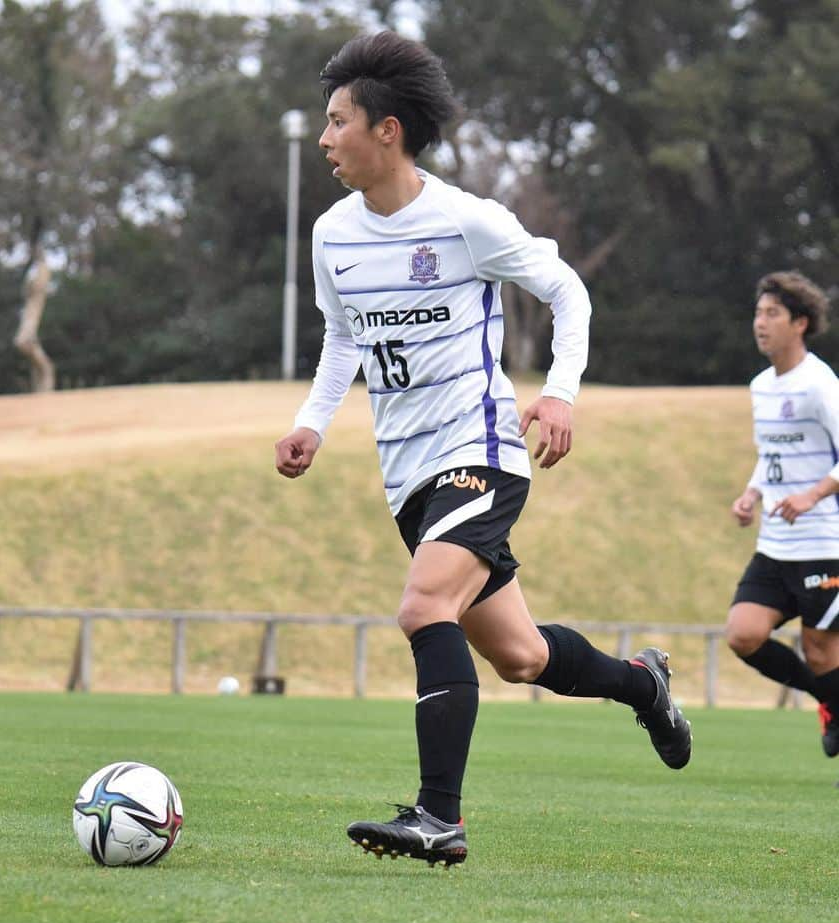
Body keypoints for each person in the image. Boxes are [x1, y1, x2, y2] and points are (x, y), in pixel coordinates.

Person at [273, 31, 691, 869]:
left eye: (336, 121)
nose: (324, 140)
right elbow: (342, 338)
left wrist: (562, 389)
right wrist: (313, 420)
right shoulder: (331, 235)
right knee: (521, 656)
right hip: (406, 477)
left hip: (482, 450)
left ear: (385, 130)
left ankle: (439, 818)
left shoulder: (467, 220)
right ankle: (646, 685)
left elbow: (566, 289)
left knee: (422, 608)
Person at [725, 270, 839, 760]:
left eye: (773, 313)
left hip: (822, 541)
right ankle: (829, 701)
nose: (760, 322)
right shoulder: (759, 387)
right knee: (743, 634)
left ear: (801, 323)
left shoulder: (819, 384)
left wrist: (813, 495)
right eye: (758, 312)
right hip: (774, 544)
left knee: (820, 651)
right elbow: (770, 453)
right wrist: (752, 493)